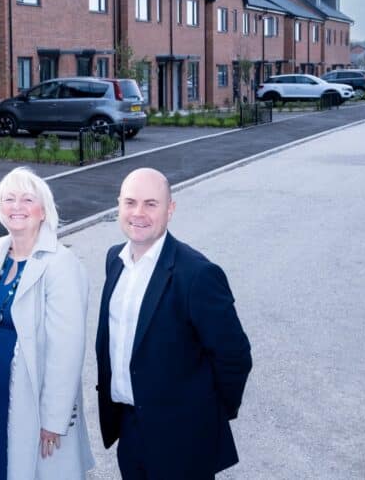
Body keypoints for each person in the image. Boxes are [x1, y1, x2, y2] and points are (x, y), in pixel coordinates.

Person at [96, 167, 252, 480]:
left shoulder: (197, 274)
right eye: (130, 202)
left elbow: (234, 357)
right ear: (119, 206)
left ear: (170, 209)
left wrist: (205, 415)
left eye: (151, 204)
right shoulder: (115, 260)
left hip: (184, 440)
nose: (138, 213)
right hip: (130, 430)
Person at [0, 167, 94, 479]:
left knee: (37, 470)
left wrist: (54, 416)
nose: (17, 206)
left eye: (27, 199)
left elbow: (66, 348)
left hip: (34, 395)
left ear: (43, 211)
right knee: (2, 463)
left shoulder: (60, 263)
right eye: (8, 199)